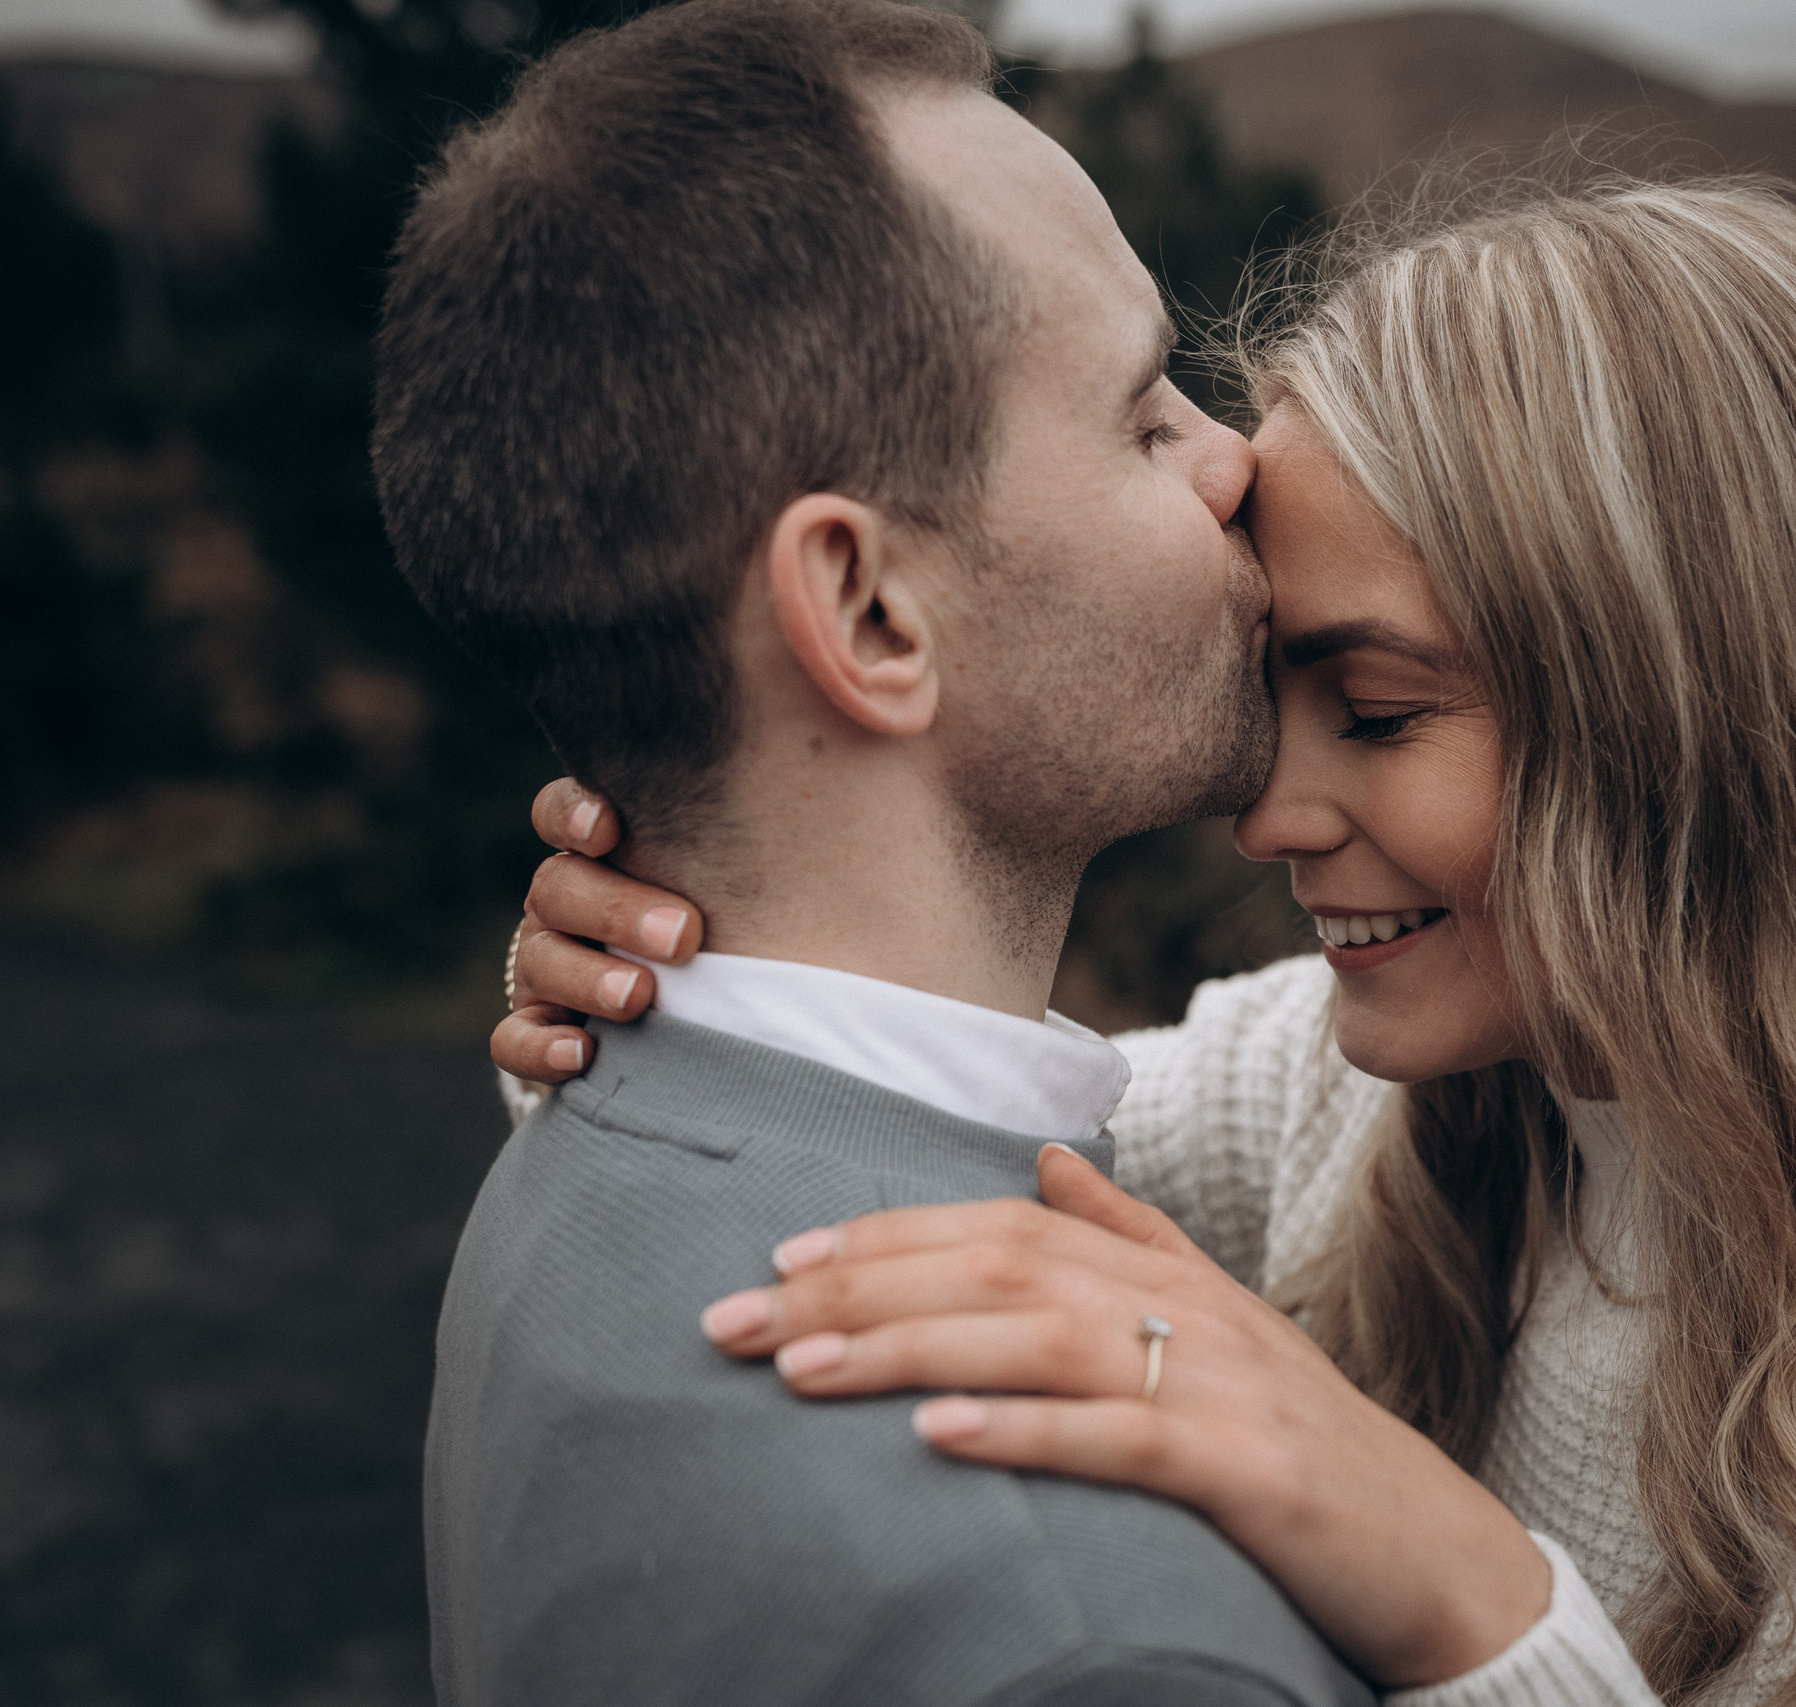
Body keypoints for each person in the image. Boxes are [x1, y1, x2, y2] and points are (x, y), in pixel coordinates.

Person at [499, 119, 1796, 1707]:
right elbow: (885, 1185)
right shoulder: (1364, 1096)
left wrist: (1474, 1605)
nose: (1270, 805)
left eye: (1381, 710)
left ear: (1698, 718)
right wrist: (682, 954)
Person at [373, 2, 1400, 1702]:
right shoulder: (1097, 1634)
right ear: (865, 609)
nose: (1235, 465)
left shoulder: (590, 1164)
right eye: (1146, 413)